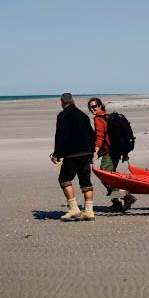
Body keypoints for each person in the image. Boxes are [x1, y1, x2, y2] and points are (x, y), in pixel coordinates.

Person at [51, 93, 95, 221]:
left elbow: (61, 136)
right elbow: (91, 134)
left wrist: (57, 154)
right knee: (86, 182)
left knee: (64, 179)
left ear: (62, 103)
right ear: (73, 101)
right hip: (87, 152)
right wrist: (92, 151)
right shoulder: (83, 115)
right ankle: (89, 211)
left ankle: (74, 208)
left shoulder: (63, 115)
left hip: (73, 154)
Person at [88, 97, 137, 212]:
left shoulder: (98, 119)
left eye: (94, 106)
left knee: (105, 177)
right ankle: (116, 204)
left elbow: (100, 137)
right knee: (110, 178)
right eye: (90, 107)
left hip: (110, 152)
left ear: (100, 106)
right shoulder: (109, 116)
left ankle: (127, 197)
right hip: (116, 152)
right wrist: (124, 153)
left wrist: (95, 153)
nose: (92, 109)